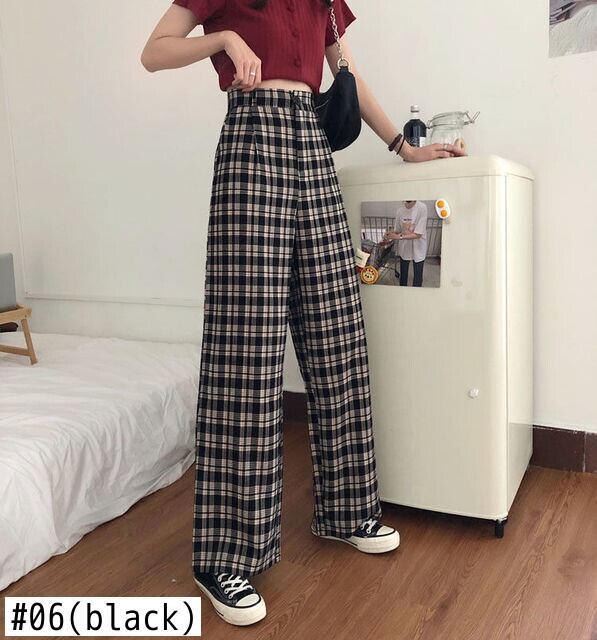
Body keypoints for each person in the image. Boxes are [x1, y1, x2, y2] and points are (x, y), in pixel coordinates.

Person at [140, 0, 466, 626]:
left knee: (336, 330)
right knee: (247, 350)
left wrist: (405, 147)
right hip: (251, 142)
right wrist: (223, 40)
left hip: (312, 146)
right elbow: (154, 52)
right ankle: (225, 555)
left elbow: (347, 74)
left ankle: (346, 509)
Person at [387, 200, 429, 287]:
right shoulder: (400, 210)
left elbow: (418, 234)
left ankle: (416, 292)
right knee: (403, 274)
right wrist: (390, 233)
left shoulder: (422, 207)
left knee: (418, 275)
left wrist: (399, 237)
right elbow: (398, 230)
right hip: (405, 247)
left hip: (419, 246)